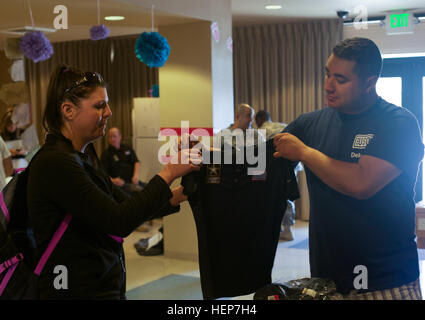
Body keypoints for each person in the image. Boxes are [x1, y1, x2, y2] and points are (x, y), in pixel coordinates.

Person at [26, 64, 201, 299]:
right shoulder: (55, 163)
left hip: (102, 283)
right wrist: (169, 172)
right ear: (68, 110)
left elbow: (128, 204)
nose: (108, 112)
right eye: (99, 106)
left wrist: (180, 193)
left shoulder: (84, 156)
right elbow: (118, 220)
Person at [273, 37, 424, 300]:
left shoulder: (398, 123)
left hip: (385, 280)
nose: (328, 85)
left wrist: (305, 153)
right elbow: (261, 160)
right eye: (327, 74)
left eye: (340, 80)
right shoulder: (310, 124)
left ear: (369, 83)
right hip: (327, 280)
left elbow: (361, 183)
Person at [255, 109, 296, 241]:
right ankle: (288, 229)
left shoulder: (260, 131)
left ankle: (275, 228)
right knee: (288, 196)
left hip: (273, 168)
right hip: (291, 167)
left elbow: (258, 154)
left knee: (272, 197)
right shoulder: (283, 125)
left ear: (258, 120)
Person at [101, 127, 145, 195]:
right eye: (110, 137)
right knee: (141, 192)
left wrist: (135, 176)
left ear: (120, 136)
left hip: (132, 180)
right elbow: (102, 174)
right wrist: (113, 180)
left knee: (151, 188)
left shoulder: (127, 148)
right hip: (119, 184)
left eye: (114, 136)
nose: (112, 139)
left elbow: (136, 162)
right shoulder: (106, 153)